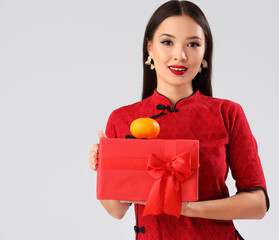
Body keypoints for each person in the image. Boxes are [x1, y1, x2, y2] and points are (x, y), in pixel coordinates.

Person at [88, 1, 269, 239]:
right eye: (167, 42)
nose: (180, 56)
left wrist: (187, 208)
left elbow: (258, 204)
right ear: (150, 49)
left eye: (193, 44)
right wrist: (106, 167)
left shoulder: (227, 113)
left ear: (205, 53)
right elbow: (117, 210)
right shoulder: (123, 119)